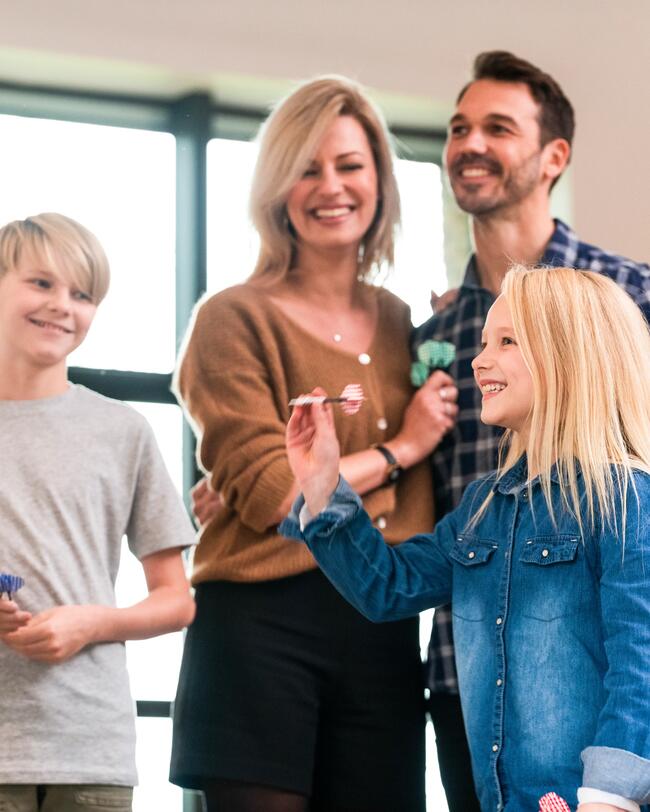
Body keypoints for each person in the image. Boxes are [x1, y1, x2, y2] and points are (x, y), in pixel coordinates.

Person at [169, 76, 457, 812]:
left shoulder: (405, 322)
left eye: (350, 165)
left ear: (381, 183)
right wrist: (403, 450)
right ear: (276, 188)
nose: (330, 186)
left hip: (380, 627)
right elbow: (278, 497)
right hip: (260, 624)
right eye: (306, 166)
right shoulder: (231, 319)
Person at [282, 264, 650, 812]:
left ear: (571, 356)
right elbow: (388, 589)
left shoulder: (627, 497)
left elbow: (640, 664)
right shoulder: (483, 506)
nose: (479, 361)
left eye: (506, 341)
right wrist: (321, 485)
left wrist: (608, 797)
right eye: (482, 342)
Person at [418, 50, 650, 810]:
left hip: (598, 684)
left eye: (497, 126)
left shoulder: (628, 295)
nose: (470, 144)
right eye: (458, 128)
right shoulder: (438, 329)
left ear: (555, 156)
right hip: (468, 675)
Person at [0, 213, 196, 812]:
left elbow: (176, 599)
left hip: (89, 748)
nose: (63, 305)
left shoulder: (124, 431)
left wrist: (89, 623)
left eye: (83, 294)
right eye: (41, 283)